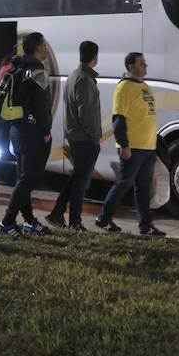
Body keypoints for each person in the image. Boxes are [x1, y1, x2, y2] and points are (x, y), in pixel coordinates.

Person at [95, 52, 166, 237]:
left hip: (148, 147)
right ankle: (104, 218)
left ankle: (145, 226)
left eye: (145, 63)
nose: (145, 66)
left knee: (143, 189)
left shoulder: (144, 86)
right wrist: (123, 144)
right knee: (123, 183)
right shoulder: (124, 88)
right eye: (142, 64)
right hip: (132, 147)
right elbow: (119, 118)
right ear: (130, 67)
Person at [0, 32, 53, 237]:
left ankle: (29, 221)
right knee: (28, 179)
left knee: (23, 178)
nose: (47, 49)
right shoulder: (37, 71)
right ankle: (7, 222)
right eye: (45, 45)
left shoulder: (18, 67)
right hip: (33, 133)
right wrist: (46, 131)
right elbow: (42, 106)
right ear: (38, 48)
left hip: (17, 130)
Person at [46, 40, 102, 231]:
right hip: (85, 139)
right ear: (95, 58)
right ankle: (75, 221)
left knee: (77, 179)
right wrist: (95, 137)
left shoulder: (73, 76)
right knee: (80, 183)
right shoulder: (84, 79)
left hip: (76, 136)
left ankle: (57, 213)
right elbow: (86, 113)